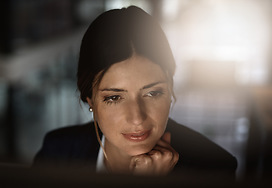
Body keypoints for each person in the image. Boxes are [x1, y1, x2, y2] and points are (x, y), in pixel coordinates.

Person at [33, 5, 237, 177]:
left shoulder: (213, 169)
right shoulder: (57, 153)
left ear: (170, 88)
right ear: (91, 100)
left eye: (153, 93)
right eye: (114, 97)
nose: (137, 118)